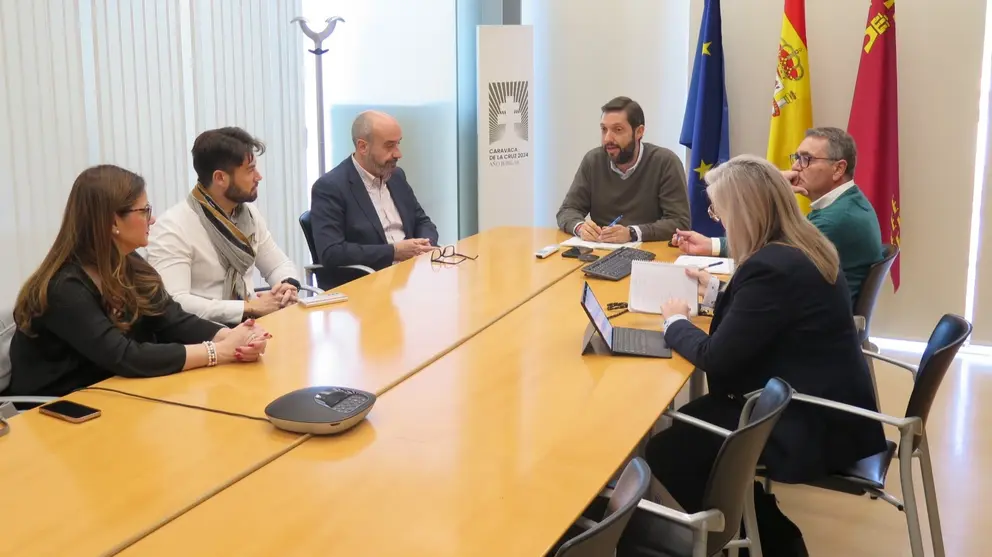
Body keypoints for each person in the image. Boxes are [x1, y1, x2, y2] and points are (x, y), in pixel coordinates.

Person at [646, 156, 886, 547]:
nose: (717, 219)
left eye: (718, 209)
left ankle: (761, 537)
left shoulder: (770, 267)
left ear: (742, 211)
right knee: (688, 424)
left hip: (807, 419)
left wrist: (675, 323)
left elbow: (715, 357)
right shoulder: (801, 245)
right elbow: (770, 317)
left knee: (668, 447)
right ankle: (751, 517)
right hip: (822, 400)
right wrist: (715, 290)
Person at [5, 165, 269, 398]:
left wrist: (234, 336)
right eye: (144, 211)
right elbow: (124, 356)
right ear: (112, 222)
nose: (152, 219)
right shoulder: (64, 288)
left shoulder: (129, 263)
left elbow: (173, 320)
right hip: (60, 413)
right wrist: (218, 351)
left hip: (118, 394)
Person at [672, 127, 884, 304]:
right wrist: (711, 245)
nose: (795, 166)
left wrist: (771, 190)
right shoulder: (845, 203)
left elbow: (769, 257)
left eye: (806, 159)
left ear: (838, 169)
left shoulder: (837, 219)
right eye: (797, 158)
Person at [146, 127, 300, 326]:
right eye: (250, 170)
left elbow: (278, 265)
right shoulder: (173, 227)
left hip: (253, 329)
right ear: (220, 178)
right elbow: (175, 301)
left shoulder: (248, 215)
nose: (258, 177)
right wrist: (248, 307)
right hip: (205, 339)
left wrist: (286, 285)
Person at [309, 111, 439, 287]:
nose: (398, 154)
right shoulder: (330, 187)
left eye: (398, 144)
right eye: (389, 146)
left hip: (411, 276)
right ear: (363, 146)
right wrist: (394, 252)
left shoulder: (396, 176)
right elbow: (332, 252)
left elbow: (422, 221)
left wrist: (424, 244)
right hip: (367, 284)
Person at [556, 96, 690, 244]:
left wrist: (632, 233)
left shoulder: (665, 162)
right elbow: (567, 210)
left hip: (650, 253)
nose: (607, 138)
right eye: (604, 129)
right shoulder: (593, 161)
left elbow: (679, 222)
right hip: (602, 252)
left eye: (617, 130)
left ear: (639, 132)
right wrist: (580, 227)